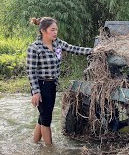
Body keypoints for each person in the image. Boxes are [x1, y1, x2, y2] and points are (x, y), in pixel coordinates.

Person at [27, 17, 93, 146]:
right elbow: (31, 71)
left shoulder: (57, 44)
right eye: (52, 30)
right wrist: (35, 92)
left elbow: (75, 49)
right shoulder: (34, 48)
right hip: (41, 85)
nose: (55, 32)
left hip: (52, 85)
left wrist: (93, 51)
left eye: (56, 29)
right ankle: (49, 151)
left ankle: (34, 143)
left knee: (42, 117)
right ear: (43, 31)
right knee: (46, 119)